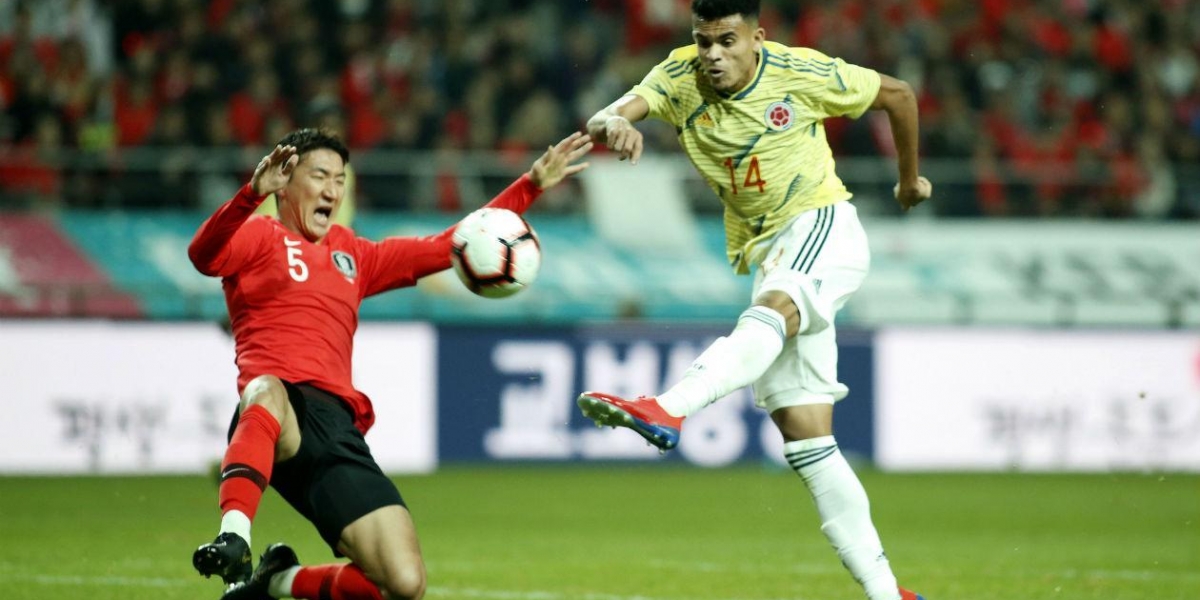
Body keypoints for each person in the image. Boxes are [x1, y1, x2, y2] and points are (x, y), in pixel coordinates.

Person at [574, 2, 931, 600]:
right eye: (704, 40)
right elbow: (604, 115)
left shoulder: (800, 72)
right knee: (808, 438)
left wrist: (906, 180)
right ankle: (888, 593)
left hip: (821, 224)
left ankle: (668, 407)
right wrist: (614, 124)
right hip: (769, 251)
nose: (713, 54)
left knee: (773, 308)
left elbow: (899, 94)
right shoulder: (676, 74)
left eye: (727, 41)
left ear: (756, 38)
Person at [189, 128, 592, 600]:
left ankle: (275, 582)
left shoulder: (354, 255)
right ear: (284, 180)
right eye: (319, 175)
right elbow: (203, 255)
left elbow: (451, 244)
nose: (333, 190)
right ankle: (234, 535)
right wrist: (250, 194)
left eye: (340, 179)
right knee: (265, 389)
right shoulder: (259, 233)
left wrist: (532, 184)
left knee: (401, 583)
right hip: (277, 416)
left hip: (337, 431)